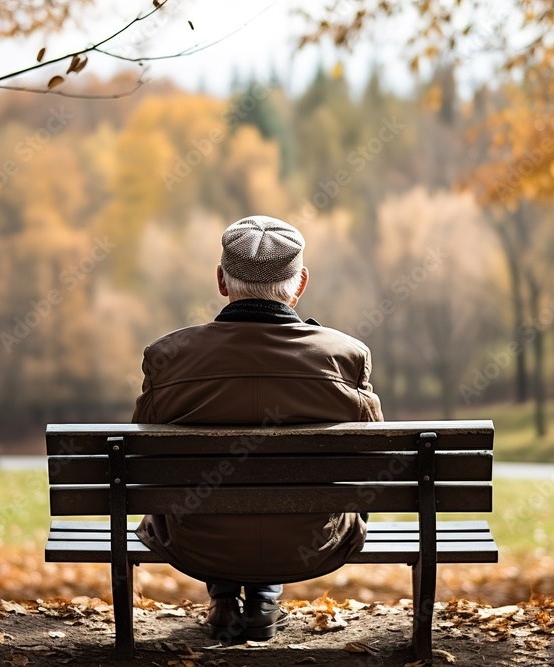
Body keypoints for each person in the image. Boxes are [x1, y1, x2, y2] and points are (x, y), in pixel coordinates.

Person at [133, 215, 383, 641]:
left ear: (221, 281)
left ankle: (225, 595)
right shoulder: (346, 358)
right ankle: (265, 597)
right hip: (310, 544)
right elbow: (375, 459)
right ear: (300, 283)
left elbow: (142, 459)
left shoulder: (167, 357)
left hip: (197, 544)